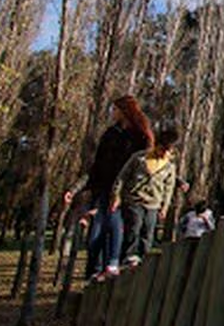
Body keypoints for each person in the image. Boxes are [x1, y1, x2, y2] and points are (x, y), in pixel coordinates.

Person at [64, 95, 153, 281]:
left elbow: (147, 166)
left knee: (115, 226)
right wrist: (75, 189)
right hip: (104, 189)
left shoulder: (140, 137)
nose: (112, 113)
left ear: (124, 111)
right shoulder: (110, 134)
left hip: (126, 192)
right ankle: (94, 272)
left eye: (115, 109)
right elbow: (96, 166)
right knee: (96, 235)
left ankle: (112, 264)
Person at [115, 127, 180, 267]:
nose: (165, 154)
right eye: (163, 150)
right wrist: (117, 195)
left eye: (169, 152)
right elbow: (122, 176)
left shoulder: (169, 167)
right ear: (158, 146)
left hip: (153, 203)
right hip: (134, 199)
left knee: (148, 232)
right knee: (134, 227)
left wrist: (164, 207)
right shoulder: (140, 158)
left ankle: (145, 259)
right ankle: (128, 256)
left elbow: (168, 188)